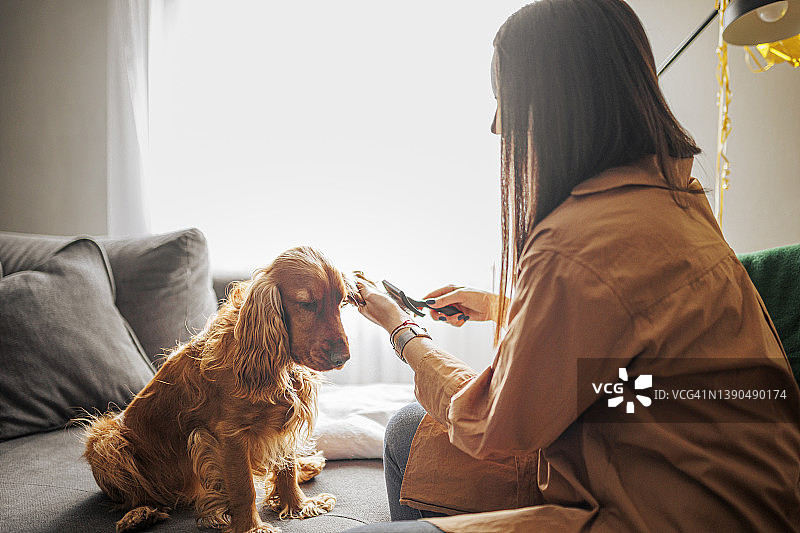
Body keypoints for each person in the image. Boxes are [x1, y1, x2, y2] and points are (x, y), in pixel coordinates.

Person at [346, 1, 800, 532]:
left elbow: (497, 425)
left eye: (504, 100)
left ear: (556, 104)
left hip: (662, 511)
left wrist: (401, 332)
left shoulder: (573, 244)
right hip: (725, 477)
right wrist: (503, 306)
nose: (496, 125)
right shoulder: (671, 196)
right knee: (409, 431)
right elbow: (631, 331)